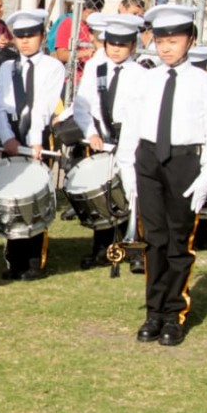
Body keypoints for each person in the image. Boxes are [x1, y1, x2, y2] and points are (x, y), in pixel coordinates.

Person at [116, 4, 207, 347]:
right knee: (154, 241)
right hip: (148, 159)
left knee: (180, 242)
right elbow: (131, 128)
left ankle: (174, 314)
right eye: (161, 39)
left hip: (183, 162)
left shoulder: (204, 82)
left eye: (174, 40)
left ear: (190, 40)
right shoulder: (146, 80)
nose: (166, 47)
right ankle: (154, 311)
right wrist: (127, 169)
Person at [71, 14, 148, 271]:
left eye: (122, 44)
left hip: (130, 141)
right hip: (102, 140)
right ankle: (102, 248)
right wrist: (91, 132)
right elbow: (82, 105)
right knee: (102, 195)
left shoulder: (141, 73)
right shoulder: (96, 68)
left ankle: (136, 249)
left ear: (133, 47)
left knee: (133, 193)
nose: (115, 49)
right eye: (111, 44)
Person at [0, 9, 66, 281]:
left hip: (38, 136)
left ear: (42, 35)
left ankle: (35, 260)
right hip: (11, 135)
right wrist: (6, 137)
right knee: (12, 197)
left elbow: (43, 108)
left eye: (30, 35)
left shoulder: (52, 67)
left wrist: (34, 143)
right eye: (19, 36)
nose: (24, 41)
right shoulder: (7, 67)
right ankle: (15, 259)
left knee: (35, 197)